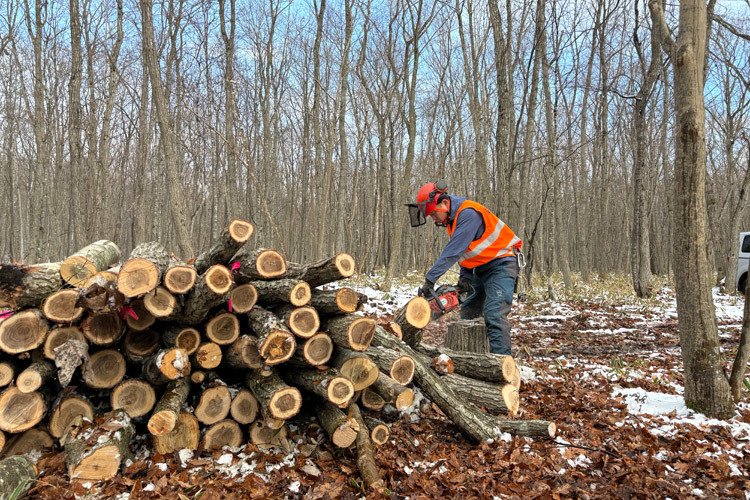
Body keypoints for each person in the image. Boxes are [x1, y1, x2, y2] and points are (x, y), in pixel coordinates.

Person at [406, 181, 522, 356]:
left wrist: (430, 279)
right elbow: (467, 250)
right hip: (481, 268)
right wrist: (465, 275)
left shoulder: (468, 214)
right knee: (468, 310)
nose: (433, 218)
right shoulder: (453, 221)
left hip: (502, 264)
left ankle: (501, 364)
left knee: (494, 313)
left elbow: (454, 251)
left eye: (434, 213)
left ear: (444, 204)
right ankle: (470, 359)